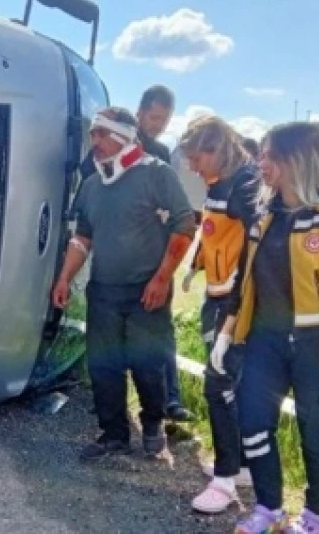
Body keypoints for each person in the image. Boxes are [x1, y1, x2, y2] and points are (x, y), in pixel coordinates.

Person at [211, 122, 319, 534]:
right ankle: (269, 509)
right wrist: (228, 331)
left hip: (317, 341)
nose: (260, 163)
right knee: (252, 421)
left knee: (315, 429)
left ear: (295, 160)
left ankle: (318, 517)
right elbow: (244, 277)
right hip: (265, 340)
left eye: (268, 155)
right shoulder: (264, 214)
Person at [52, 106, 197, 461]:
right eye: (93, 134)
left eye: (102, 134)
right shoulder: (92, 185)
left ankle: (152, 425)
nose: (95, 141)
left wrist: (162, 279)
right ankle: (113, 434)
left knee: (148, 366)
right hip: (103, 291)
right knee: (103, 366)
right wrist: (64, 277)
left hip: (147, 291)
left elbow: (184, 226)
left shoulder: (156, 174)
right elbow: (82, 238)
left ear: (124, 138)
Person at [175, 116, 262, 514]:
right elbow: (211, 230)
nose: (193, 167)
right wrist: (197, 264)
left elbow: (258, 242)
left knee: (218, 384)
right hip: (217, 294)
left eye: (197, 158)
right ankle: (240, 464)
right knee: (230, 382)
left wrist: (238, 302)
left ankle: (225, 480)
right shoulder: (217, 183)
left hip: (235, 302)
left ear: (216, 150)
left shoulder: (246, 184)